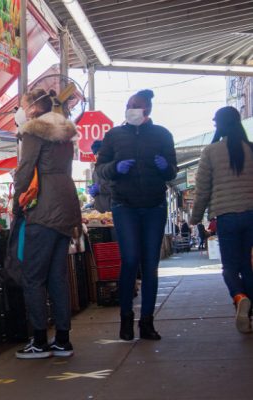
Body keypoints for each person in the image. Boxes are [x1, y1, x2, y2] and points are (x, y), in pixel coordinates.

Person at [96, 89, 177, 341]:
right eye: (129, 104)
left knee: (150, 265)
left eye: (136, 106)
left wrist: (166, 168)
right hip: (125, 206)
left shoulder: (162, 134)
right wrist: (115, 168)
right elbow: (101, 168)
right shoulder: (114, 135)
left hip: (154, 206)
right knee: (130, 260)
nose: (131, 109)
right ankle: (126, 318)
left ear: (147, 110)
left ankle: (147, 322)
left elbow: (172, 171)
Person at [12, 88, 81, 359]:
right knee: (57, 278)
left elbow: (25, 169)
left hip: (43, 209)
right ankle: (62, 340)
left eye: (22, 105)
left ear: (31, 109)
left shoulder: (33, 131)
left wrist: (17, 202)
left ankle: (39, 341)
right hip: (66, 205)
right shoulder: (64, 134)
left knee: (33, 277)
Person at [190, 106, 253, 333]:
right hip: (251, 216)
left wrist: (195, 217)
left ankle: (239, 296)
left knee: (229, 267)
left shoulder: (211, 151)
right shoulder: (251, 149)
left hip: (226, 217)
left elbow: (202, 190)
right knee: (248, 265)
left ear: (219, 125)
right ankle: (250, 314)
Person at [87, 140, 112, 213]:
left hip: (112, 210)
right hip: (99, 211)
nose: (97, 156)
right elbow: (96, 188)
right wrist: (93, 200)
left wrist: (100, 188)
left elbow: (118, 187)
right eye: (95, 154)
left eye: (99, 153)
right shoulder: (95, 170)